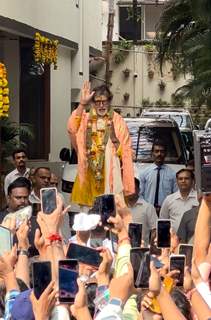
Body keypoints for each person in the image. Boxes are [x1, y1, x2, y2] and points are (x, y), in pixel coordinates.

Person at [67, 81, 134, 207]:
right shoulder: (85, 119)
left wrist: (114, 138)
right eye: (98, 102)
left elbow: (126, 153)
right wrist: (82, 104)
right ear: (92, 103)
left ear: (110, 102)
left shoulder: (118, 122)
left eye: (105, 102)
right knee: (87, 221)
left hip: (110, 178)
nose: (101, 105)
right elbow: (71, 128)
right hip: (88, 177)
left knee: (109, 221)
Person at [139, 139, 177, 215]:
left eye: (162, 151)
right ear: (152, 153)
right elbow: (140, 194)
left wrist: (166, 208)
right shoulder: (144, 173)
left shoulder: (172, 174)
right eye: (156, 151)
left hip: (166, 212)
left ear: (165, 153)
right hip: (147, 212)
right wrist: (148, 208)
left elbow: (175, 194)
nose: (159, 154)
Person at [160, 169, 198, 233]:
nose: (183, 181)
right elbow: (163, 222)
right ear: (177, 181)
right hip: (174, 240)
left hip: (195, 239)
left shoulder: (199, 198)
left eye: (186, 178)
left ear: (193, 181)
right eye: (180, 179)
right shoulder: (169, 199)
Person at [125, 178, 157, 246]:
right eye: (127, 188)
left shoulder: (148, 207)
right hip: (123, 248)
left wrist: (151, 247)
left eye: (132, 188)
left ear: (138, 190)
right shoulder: (121, 208)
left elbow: (155, 229)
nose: (129, 191)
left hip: (142, 249)